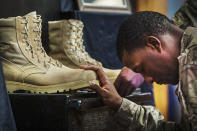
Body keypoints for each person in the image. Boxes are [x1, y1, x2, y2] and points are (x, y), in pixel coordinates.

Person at [80, 0, 197, 130]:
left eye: (142, 68)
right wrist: (120, 105)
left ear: (154, 43)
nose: (148, 80)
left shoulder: (191, 63)